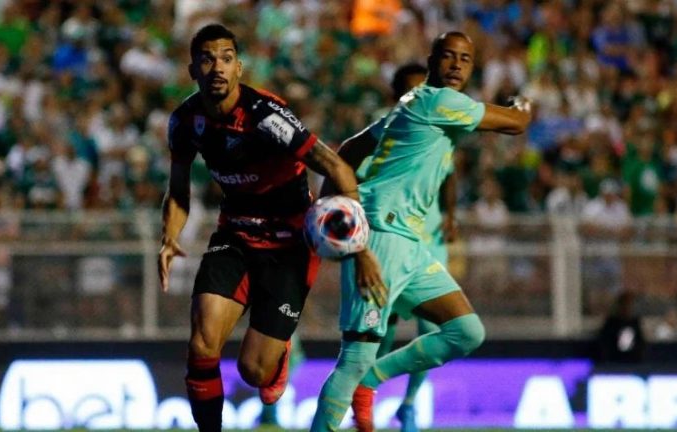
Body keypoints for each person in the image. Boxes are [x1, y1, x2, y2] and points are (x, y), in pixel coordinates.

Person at [157, 24, 384, 432]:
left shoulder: (266, 117)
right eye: (207, 59)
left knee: (254, 372)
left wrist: (360, 246)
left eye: (226, 58)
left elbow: (336, 167)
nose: (217, 68)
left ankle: (273, 361)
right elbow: (177, 192)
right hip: (235, 235)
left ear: (239, 67)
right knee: (202, 342)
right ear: (193, 69)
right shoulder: (185, 121)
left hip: (289, 244)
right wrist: (169, 237)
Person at [310, 31, 532, 431]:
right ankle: (359, 384)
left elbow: (349, 149)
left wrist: (331, 203)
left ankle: (372, 381)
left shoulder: (410, 103)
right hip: (382, 234)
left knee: (466, 331)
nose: (456, 65)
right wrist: (524, 103)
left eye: (465, 59)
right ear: (431, 60)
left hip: (409, 241)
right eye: (448, 56)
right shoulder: (439, 101)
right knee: (354, 357)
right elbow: (516, 123)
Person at [321, 62, 457, 432]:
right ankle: (365, 410)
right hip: (388, 242)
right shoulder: (384, 132)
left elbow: (448, 174)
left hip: (429, 244)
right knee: (378, 336)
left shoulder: (441, 127)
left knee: (437, 330)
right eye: (409, 91)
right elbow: (349, 176)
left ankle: (409, 405)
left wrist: (450, 215)